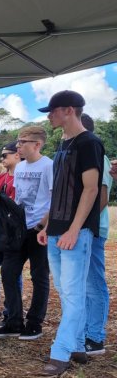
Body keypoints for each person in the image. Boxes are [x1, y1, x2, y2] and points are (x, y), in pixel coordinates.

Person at [36, 90, 103, 377]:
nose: (49, 116)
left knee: (73, 293)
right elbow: (59, 190)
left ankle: (60, 353)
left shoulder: (89, 143)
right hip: (57, 231)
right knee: (65, 292)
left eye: (52, 111)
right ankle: (76, 345)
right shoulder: (63, 143)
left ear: (69, 111)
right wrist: (49, 225)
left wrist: (75, 229)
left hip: (76, 233)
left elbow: (91, 189)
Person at [0, 126, 52, 341]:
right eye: (18, 141)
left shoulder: (49, 166)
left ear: (37, 144)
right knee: (8, 272)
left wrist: (42, 226)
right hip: (18, 230)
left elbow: (54, 201)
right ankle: (13, 320)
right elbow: (18, 198)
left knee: (39, 276)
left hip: (39, 230)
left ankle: (34, 323)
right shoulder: (21, 168)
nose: (19, 145)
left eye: (23, 141)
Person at [79, 114, 112, 356]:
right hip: (83, 229)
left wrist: (83, 224)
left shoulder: (99, 158)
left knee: (94, 284)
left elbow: (101, 196)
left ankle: (95, 336)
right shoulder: (85, 156)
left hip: (93, 230)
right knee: (84, 284)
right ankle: (87, 330)